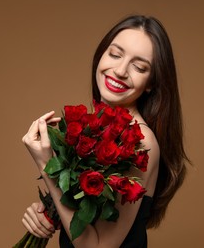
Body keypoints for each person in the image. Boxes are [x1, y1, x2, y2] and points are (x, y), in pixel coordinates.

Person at [21, 15, 189, 247]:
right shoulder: (97, 129)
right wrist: (48, 213)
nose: (120, 70)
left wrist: (45, 164)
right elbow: (83, 214)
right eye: (115, 54)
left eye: (139, 67)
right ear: (101, 55)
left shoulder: (140, 143)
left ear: (151, 83)